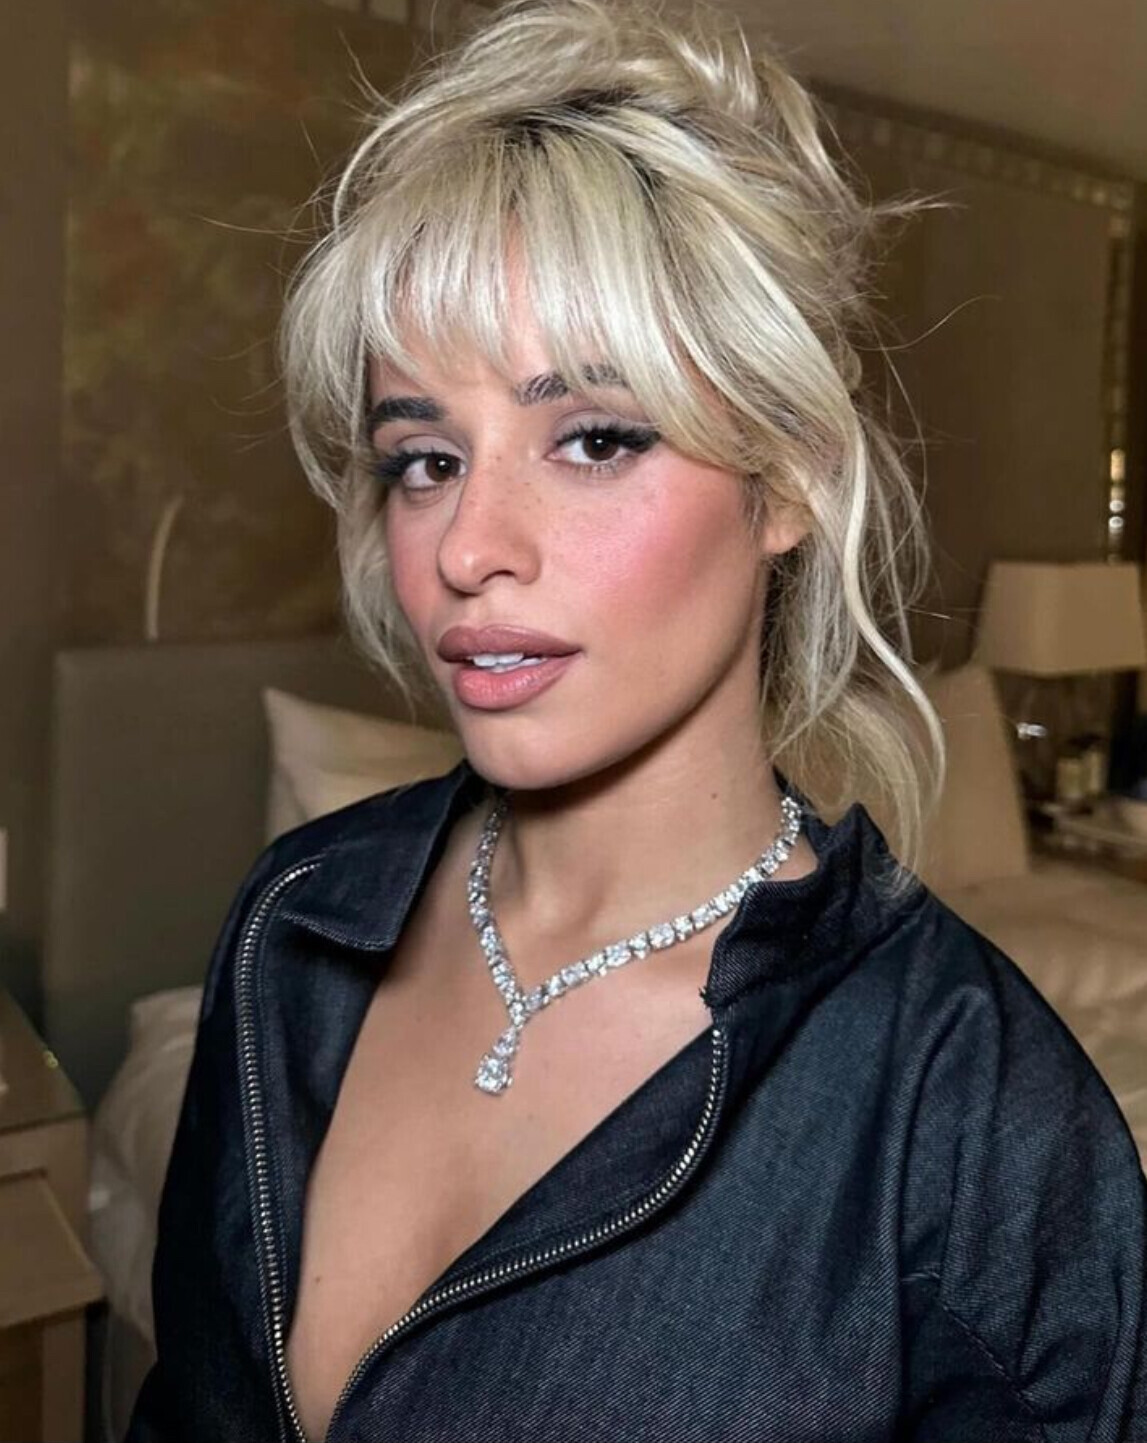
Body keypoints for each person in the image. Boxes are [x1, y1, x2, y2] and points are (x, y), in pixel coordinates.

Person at [127, 2, 1147, 1439]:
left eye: (595, 438)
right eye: (425, 457)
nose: (469, 546)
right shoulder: (294, 924)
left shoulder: (978, 1119)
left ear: (787, 480)